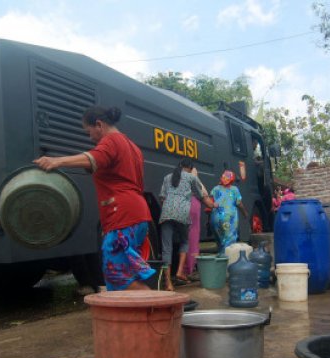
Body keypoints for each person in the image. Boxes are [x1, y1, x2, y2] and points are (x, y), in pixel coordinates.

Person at [34, 106, 155, 290]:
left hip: (123, 215)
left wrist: (56, 161)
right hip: (137, 215)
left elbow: (95, 158)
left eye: (88, 131)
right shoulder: (132, 146)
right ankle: (139, 316)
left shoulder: (111, 141)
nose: (89, 137)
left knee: (117, 276)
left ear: (99, 125)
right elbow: (108, 166)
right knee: (127, 273)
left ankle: (158, 310)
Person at [159, 158, 215, 291]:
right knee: (185, 241)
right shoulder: (191, 178)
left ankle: (168, 284)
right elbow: (202, 197)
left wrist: (168, 209)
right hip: (183, 214)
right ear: (190, 168)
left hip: (166, 214)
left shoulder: (168, 177)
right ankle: (179, 271)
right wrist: (213, 206)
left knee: (166, 248)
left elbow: (162, 197)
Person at [210, 170, 249, 254]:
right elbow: (239, 203)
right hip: (228, 218)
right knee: (229, 241)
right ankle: (227, 262)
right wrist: (245, 213)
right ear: (232, 180)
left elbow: (210, 203)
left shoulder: (215, 189)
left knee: (220, 241)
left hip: (215, 218)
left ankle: (220, 259)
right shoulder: (234, 189)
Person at [183, 167, 209, 278]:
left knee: (184, 239)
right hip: (193, 207)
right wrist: (196, 177)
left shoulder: (179, 178)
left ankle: (184, 268)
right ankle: (190, 269)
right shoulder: (193, 178)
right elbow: (204, 193)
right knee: (193, 238)